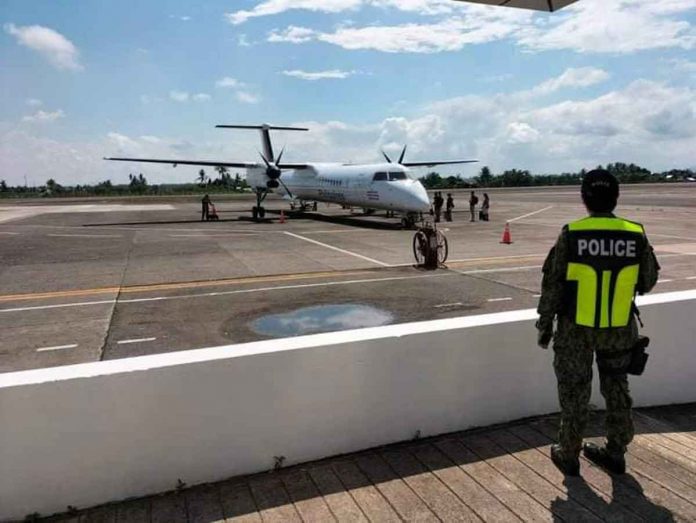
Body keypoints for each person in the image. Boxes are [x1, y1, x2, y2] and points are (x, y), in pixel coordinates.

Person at [536, 169, 660, 477]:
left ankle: (569, 453)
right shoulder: (635, 232)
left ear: (584, 199)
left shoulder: (572, 233)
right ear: (616, 198)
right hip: (619, 328)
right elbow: (647, 280)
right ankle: (616, 453)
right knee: (617, 388)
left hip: (576, 330)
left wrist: (544, 325)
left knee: (575, 392)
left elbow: (553, 284)